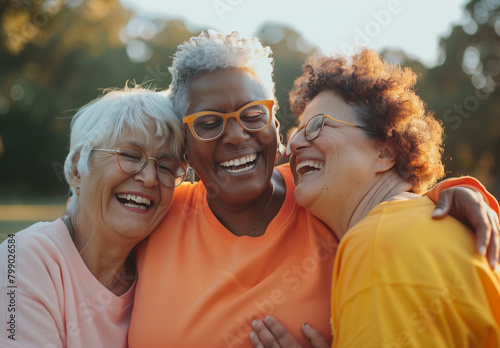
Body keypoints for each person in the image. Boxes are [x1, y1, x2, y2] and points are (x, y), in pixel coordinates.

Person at [128, 31, 499, 348]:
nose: (237, 134)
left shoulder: (325, 200)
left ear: (273, 125)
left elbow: (394, 208)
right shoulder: (154, 214)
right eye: (208, 123)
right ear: (184, 146)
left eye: (253, 114)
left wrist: (446, 193)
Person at [249, 49, 500, 348]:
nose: (293, 144)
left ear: (385, 152)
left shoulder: (379, 244)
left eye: (317, 126)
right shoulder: (426, 223)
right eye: (296, 131)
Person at [0, 86, 186, 347]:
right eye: (131, 155)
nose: (150, 177)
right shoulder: (21, 258)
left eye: (167, 166)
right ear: (78, 168)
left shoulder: (162, 272)